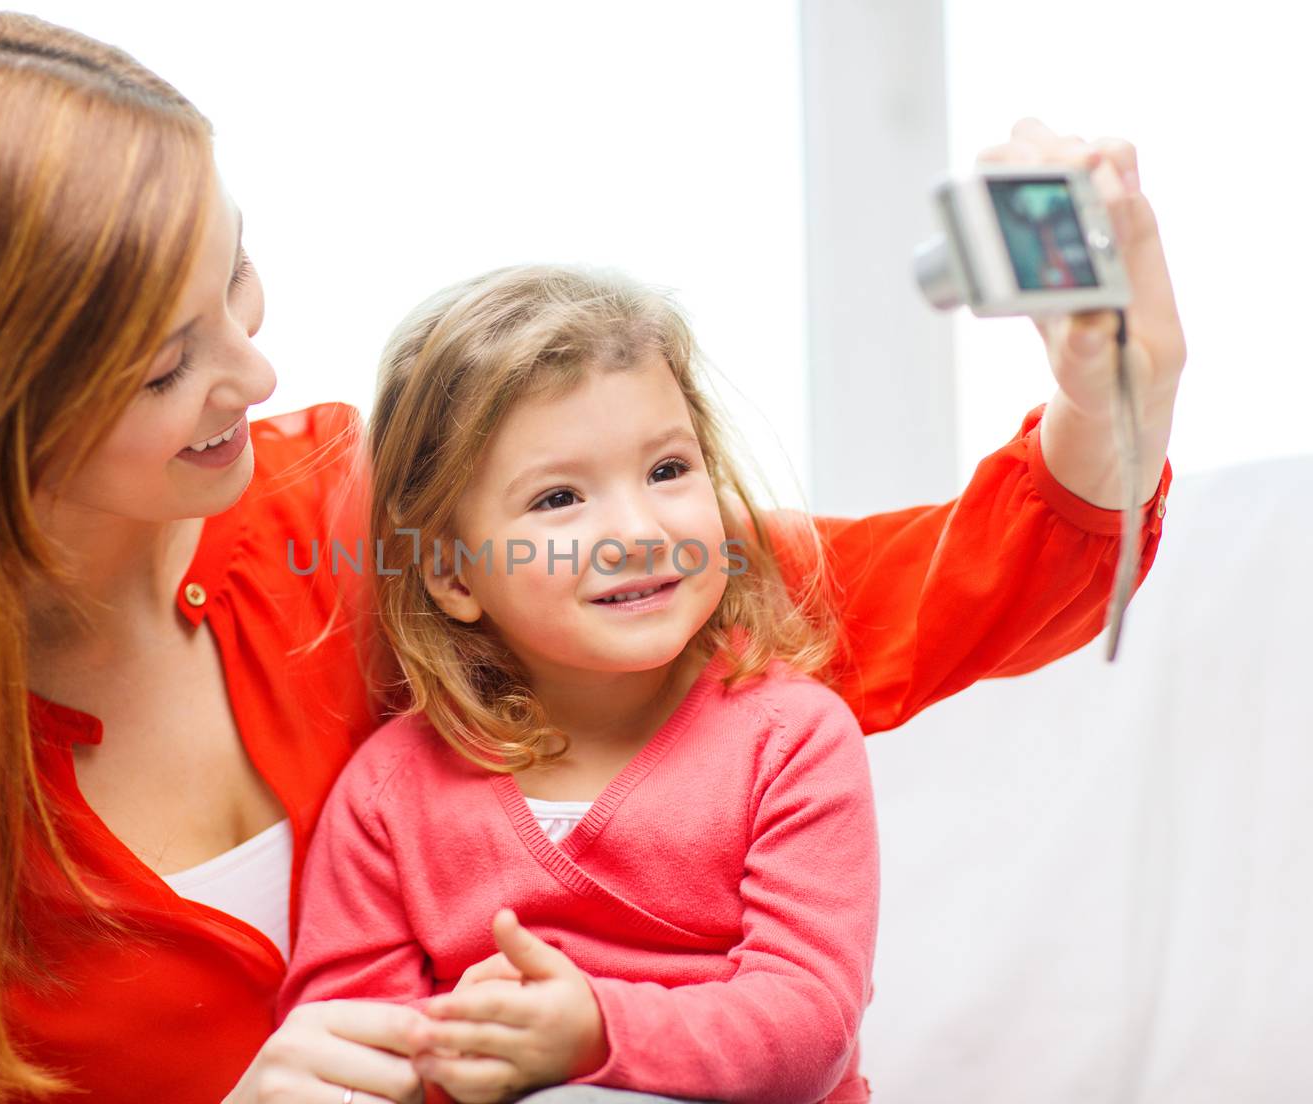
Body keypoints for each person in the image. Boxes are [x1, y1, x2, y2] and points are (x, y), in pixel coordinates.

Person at [0, 11, 1182, 1104]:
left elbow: (870, 605)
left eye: (235, 268)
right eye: (169, 362)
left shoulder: (355, 521)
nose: (257, 361)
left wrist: (1107, 407)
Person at [278, 265, 881, 1104]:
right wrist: (456, 1055)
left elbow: (809, 1031)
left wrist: (595, 1032)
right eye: (560, 497)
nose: (636, 531)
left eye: (668, 471)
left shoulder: (792, 742)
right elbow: (344, 1056)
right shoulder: (387, 793)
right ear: (453, 573)